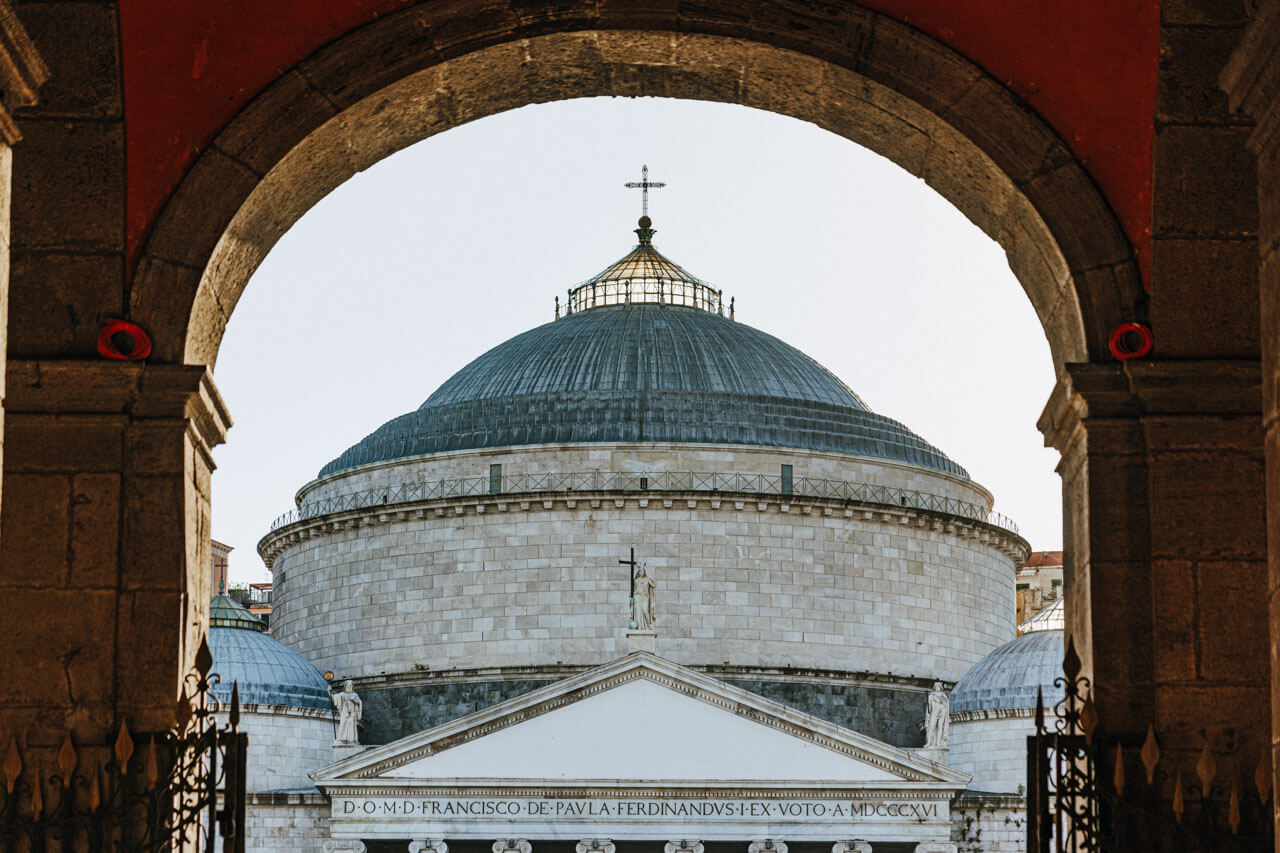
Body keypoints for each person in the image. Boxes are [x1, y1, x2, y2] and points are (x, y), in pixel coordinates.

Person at [333, 679, 363, 744]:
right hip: (344, 711)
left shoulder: (355, 695)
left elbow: (359, 702)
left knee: (351, 725)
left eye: (350, 686)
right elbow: (335, 698)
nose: (349, 687)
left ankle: (352, 740)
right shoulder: (342, 694)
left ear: (352, 687)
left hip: (352, 712)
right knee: (342, 724)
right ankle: (340, 739)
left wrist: (354, 700)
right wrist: (330, 692)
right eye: (347, 686)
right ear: (345, 687)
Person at [631, 564, 656, 629]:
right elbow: (634, 589)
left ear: (644, 572)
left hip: (645, 597)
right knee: (638, 612)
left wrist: (654, 579)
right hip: (637, 596)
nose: (641, 572)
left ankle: (648, 625)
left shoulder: (647, 579)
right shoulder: (636, 580)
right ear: (638, 572)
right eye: (640, 571)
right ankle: (639, 626)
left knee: (645, 611)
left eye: (642, 571)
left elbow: (653, 585)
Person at [925, 681, 949, 747]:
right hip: (934, 712)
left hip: (942, 712)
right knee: (931, 727)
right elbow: (929, 707)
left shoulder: (944, 696)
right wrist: (930, 714)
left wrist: (941, 712)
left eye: (938, 687)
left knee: (940, 727)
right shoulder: (931, 696)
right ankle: (929, 742)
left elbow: (945, 706)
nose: (937, 688)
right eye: (936, 687)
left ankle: (938, 742)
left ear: (941, 688)